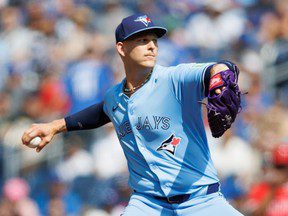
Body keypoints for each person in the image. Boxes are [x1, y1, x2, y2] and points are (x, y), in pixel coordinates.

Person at [22, 14, 243, 215]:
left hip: (200, 200)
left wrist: (220, 75)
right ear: (121, 48)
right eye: (142, 40)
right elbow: (101, 112)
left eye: (154, 41)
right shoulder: (114, 97)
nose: (152, 47)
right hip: (148, 204)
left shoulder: (173, 79)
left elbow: (220, 68)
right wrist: (55, 125)